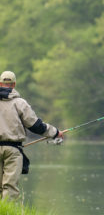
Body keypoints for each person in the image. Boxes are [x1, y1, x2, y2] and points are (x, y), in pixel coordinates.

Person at [0, 70, 63, 200]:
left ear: (0, 83)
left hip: (12, 148)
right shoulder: (20, 103)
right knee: (9, 187)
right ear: (14, 84)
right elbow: (35, 125)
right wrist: (55, 132)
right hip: (13, 150)